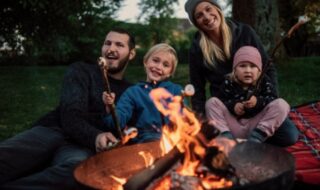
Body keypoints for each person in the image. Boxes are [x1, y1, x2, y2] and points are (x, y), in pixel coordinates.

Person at [0, 28, 136, 189]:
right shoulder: (81, 70)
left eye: (119, 45)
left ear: (131, 54)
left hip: (81, 148)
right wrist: (96, 135)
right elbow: (70, 114)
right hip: (54, 130)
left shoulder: (132, 92)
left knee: (78, 174)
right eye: (107, 43)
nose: (111, 49)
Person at [184, 0, 298, 146]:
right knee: (207, 128)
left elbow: (267, 68)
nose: (206, 16)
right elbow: (197, 88)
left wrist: (268, 100)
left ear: (217, 9)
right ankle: (229, 138)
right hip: (227, 108)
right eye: (199, 15)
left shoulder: (244, 32)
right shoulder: (197, 48)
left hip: (256, 105)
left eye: (208, 9)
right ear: (196, 22)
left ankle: (254, 138)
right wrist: (200, 122)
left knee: (289, 136)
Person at [206, 46, 291, 143]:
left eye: (253, 66)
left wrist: (258, 102)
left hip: (257, 125)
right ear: (235, 70)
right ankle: (226, 137)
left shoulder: (263, 82)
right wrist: (233, 106)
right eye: (242, 66)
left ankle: (256, 138)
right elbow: (222, 101)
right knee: (211, 102)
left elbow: (272, 99)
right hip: (233, 126)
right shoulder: (228, 82)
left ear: (259, 71)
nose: (247, 70)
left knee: (281, 104)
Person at [102, 43, 182, 144]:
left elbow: (184, 121)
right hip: (144, 142)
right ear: (146, 62)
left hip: (172, 141)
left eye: (165, 65)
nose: (158, 67)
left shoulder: (176, 90)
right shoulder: (132, 92)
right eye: (155, 60)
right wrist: (110, 108)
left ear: (170, 72)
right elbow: (115, 124)